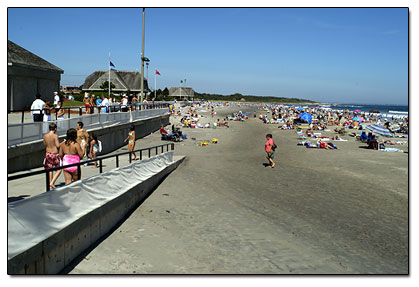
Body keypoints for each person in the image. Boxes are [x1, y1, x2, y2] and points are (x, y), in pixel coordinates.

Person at [43, 123, 62, 189]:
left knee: (50, 169)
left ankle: (50, 184)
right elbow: (57, 145)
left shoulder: (45, 136)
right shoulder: (55, 136)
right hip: (54, 153)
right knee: (59, 169)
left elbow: (45, 144)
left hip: (48, 153)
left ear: (49, 128)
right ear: (55, 129)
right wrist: (62, 143)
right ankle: (52, 182)